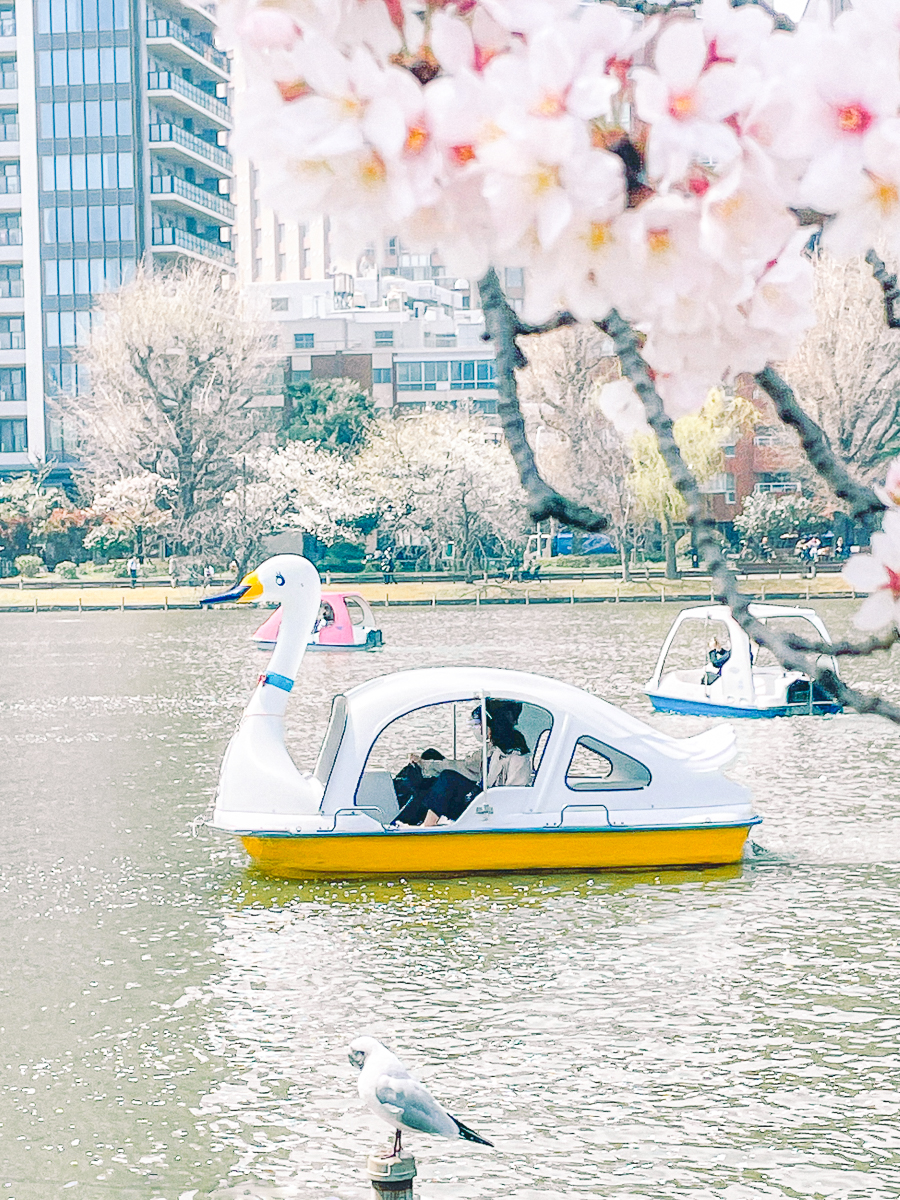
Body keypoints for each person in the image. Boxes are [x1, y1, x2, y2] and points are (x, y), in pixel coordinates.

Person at [395, 700, 531, 828]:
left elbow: (513, 797)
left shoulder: (517, 757)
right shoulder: (492, 748)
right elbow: (465, 766)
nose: (479, 728)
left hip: (488, 808)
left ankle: (427, 826)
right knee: (431, 758)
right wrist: (424, 764)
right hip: (479, 796)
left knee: (448, 779)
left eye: (481, 723)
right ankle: (402, 819)